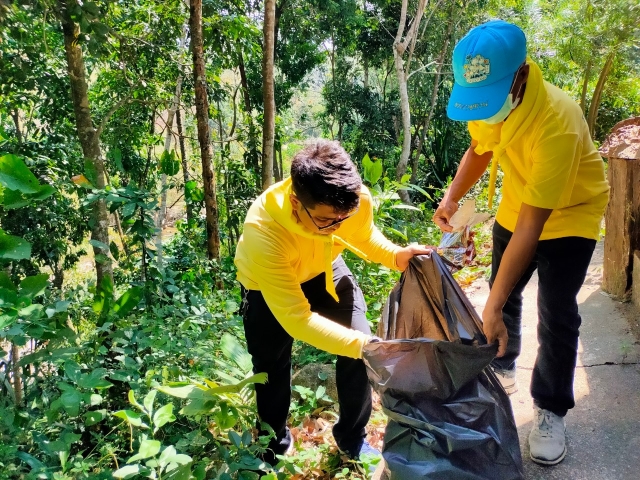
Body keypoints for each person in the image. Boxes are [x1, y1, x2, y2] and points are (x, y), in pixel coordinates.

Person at [433, 20, 609, 465]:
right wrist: (452, 199)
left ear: (522, 75)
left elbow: (534, 227)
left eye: (492, 98)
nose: (484, 110)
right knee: (503, 290)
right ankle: (503, 362)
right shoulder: (488, 102)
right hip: (521, 201)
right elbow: (480, 149)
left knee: (557, 312)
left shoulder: (558, 123)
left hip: (570, 212)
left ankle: (550, 408)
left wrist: (487, 308)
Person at [235, 139, 431, 466]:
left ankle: (351, 439)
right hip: (266, 286)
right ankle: (273, 449)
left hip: (326, 267)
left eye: (344, 217)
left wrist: (397, 256)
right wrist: (363, 345)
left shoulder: (348, 200)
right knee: (270, 370)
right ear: (297, 204)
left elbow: (363, 236)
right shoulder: (264, 230)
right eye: (329, 221)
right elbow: (297, 319)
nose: (339, 225)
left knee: (359, 348)